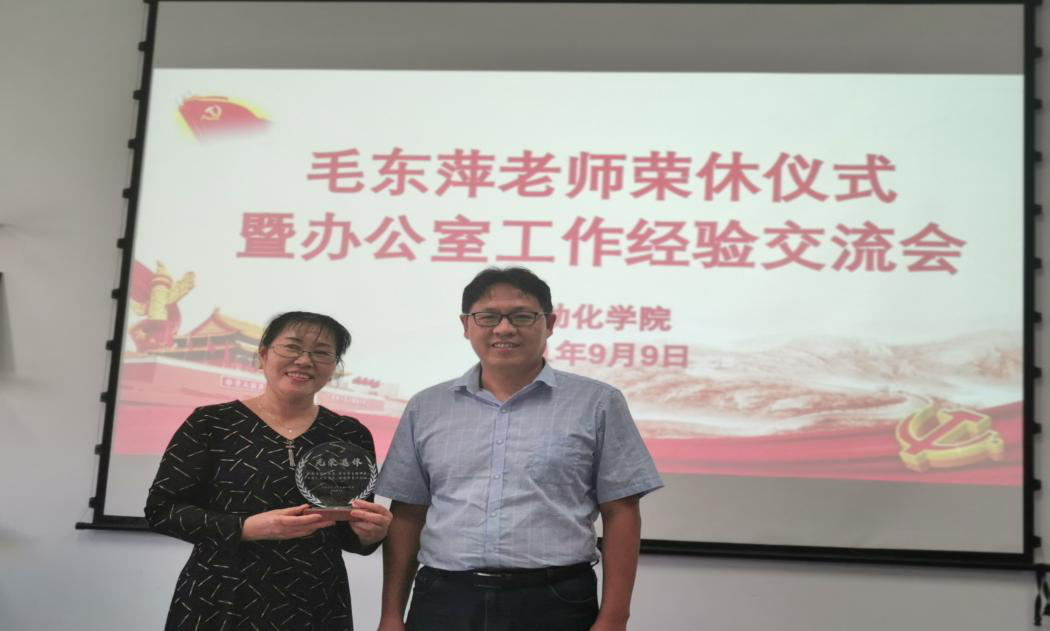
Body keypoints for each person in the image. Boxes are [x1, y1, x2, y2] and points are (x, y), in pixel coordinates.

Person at [376, 268, 663, 631]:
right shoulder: (426, 407)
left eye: (522, 316)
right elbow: (407, 514)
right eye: (488, 317)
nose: (504, 328)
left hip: (555, 600)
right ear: (466, 325)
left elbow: (621, 511)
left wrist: (614, 618)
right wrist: (391, 615)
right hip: (444, 599)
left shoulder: (597, 403)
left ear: (550, 323)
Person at [145, 311, 392, 631]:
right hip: (221, 595)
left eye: (321, 353)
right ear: (262, 355)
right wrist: (246, 528)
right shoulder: (212, 423)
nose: (304, 360)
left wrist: (370, 534)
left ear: (334, 367)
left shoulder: (349, 433)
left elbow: (350, 530)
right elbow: (162, 510)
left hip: (315, 599)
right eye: (292, 347)